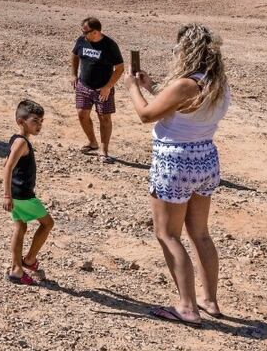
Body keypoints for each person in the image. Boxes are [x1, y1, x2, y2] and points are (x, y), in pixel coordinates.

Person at [127, 24, 230, 327]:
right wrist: (154, 88)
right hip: (205, 159)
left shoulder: (185, 84)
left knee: (168, 234)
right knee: (200, 233)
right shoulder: (216, 83)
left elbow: (146, 115)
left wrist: (133, 88)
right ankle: (209, 300)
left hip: (176, 161)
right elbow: (185, 109)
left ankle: (186, 307)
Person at [2, 99, 55, 285]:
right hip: (22, 195)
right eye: (35, 121)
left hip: (18, 193)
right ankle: (29, 260)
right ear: (21, 121)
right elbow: (8, 168)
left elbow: (7, 164)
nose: (39, 125)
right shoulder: (21, 143)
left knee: (21, 227)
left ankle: (16, 268)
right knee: (47, 223)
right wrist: (7, 195)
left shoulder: (16, 140)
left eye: (41, 121)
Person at [71, 17, 124, 163]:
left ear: (95, 32)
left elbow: (120, 68)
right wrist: (73, 75)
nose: (82, 34)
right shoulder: (82, 40)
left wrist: (108, 87)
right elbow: (75, 55)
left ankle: (104, 150)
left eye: (85, 31)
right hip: (84, 85)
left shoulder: (110, 45)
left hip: (103, 89)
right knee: (82, 114)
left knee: (104, 118)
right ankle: (92, 142)